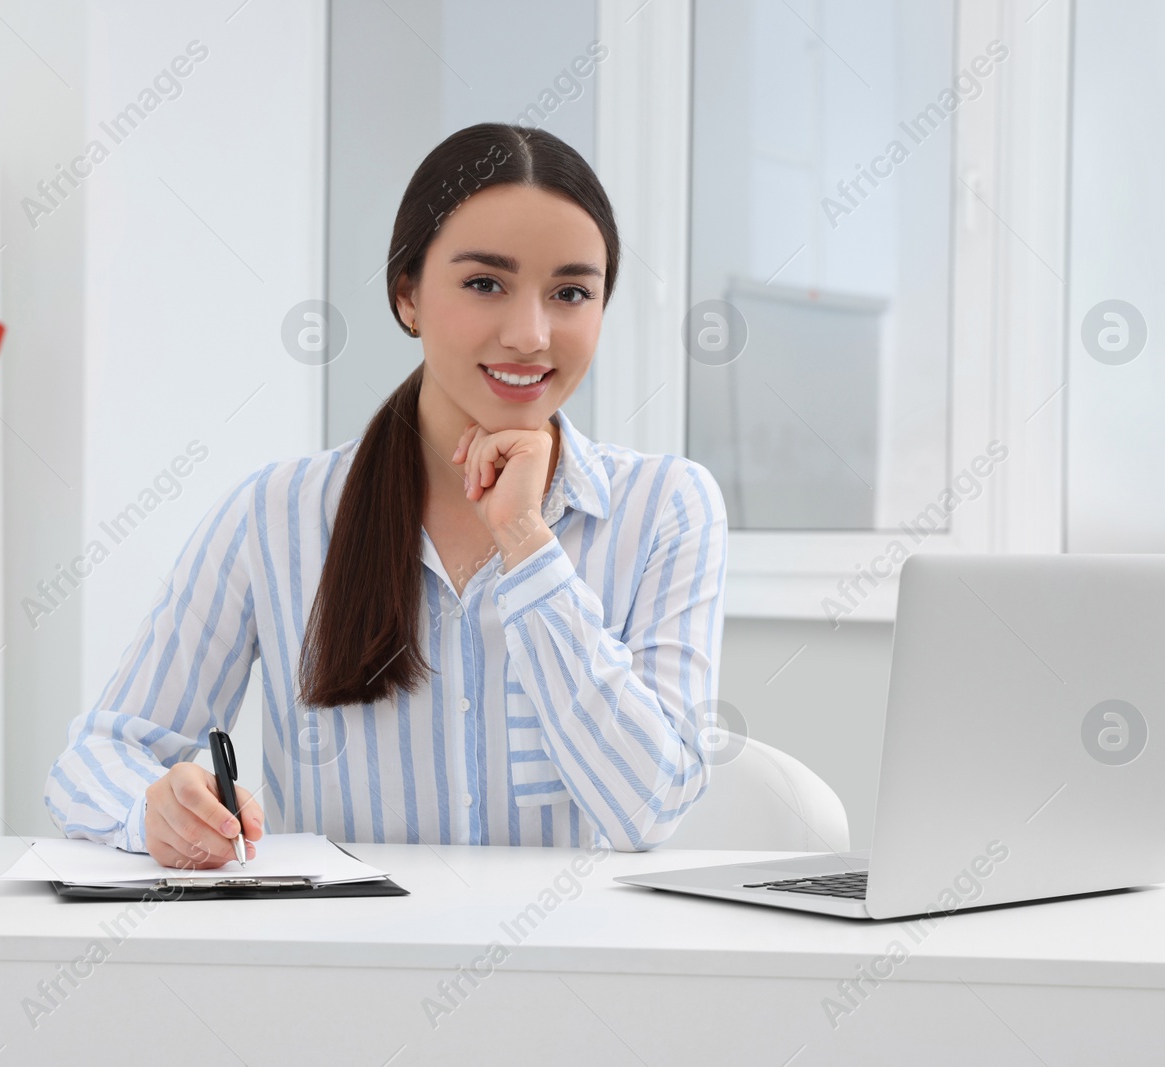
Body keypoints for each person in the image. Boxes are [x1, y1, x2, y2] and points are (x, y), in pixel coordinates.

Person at [44, 122, 728, 869]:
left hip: (572, 968)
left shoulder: (666, 506)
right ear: (407, 295)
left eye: (570, 292)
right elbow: (96, 756)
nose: (531, 334)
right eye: (485, 284)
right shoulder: (277, 513)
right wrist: (153, 808)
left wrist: (527, 543)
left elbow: (649, 807)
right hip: (346, 969)